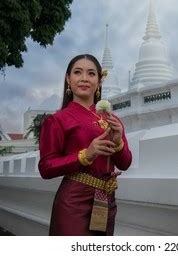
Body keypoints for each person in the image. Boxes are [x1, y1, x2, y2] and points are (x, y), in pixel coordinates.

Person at [38, 54, 132, 236]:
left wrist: (118, 142)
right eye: (77, 72)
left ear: (99, 81)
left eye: (91, 74)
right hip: (73, 201)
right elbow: (46, 167)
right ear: (68, 78)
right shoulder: (58, 120)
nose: (84, 79)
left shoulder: (113, 120)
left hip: (106, 200)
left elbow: (125, 164)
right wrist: (85, 155)